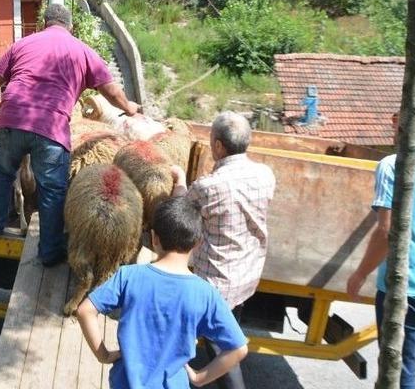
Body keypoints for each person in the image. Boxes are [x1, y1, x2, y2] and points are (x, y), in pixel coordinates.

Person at [0, 3, 139, 266]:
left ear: (45, 24)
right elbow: (112, 91)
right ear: (71, 27)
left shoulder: (22, 45)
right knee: (53, 189)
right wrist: (130, 107)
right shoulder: (83, 51)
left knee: (2, 173)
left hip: (11, 119)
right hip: (51, 128)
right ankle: (49, 252)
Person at [76, 196, 248, 388]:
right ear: (198, 243)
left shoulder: (129, 276)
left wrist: (104, 355)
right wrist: (200, 378)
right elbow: (238, 348)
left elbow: (85, 311)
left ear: (154, 238)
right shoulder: (206, 294)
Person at [346, 96, 415, 388]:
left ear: (406, 125)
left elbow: (387, 232)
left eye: (396, 120)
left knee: (400, 371)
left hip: (408, 289)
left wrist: (360, 273)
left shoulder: (394, 165)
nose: (391, 126)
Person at [181, 111, 275, 389]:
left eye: (212, 140)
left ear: (219, 146)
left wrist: (177, 181)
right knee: (228, 335)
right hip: (247, 275)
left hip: (217, 283)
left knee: (223, 349)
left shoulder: (209, 186)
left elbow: (182, 212)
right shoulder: (265, 174)